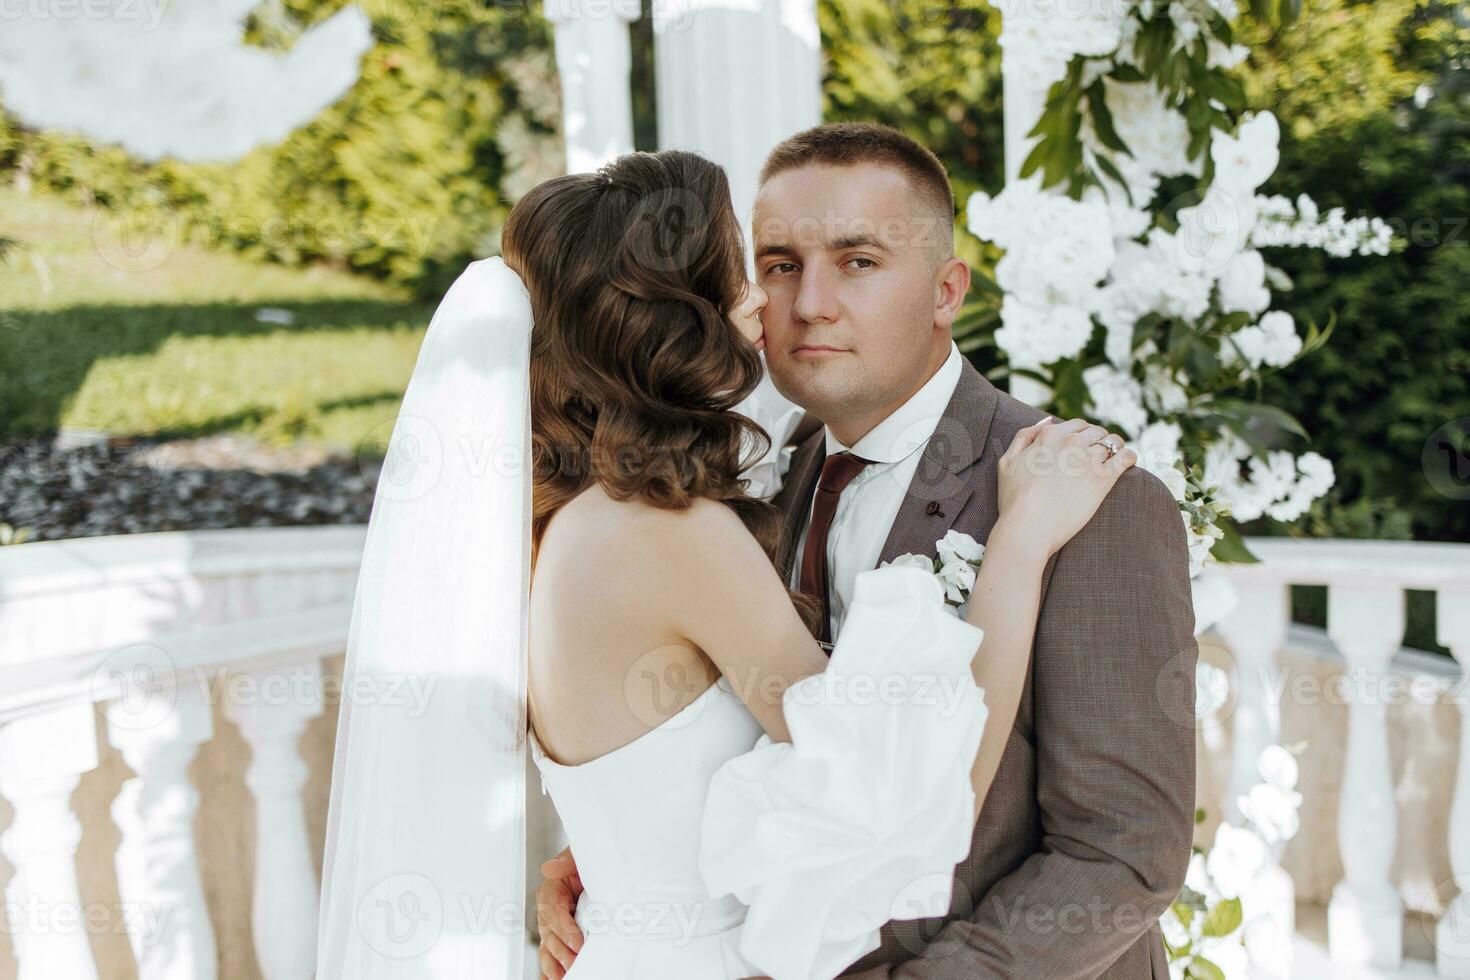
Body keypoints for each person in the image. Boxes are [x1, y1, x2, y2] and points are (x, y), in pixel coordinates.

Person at [535, 125, 1198, 980]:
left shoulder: (1087, 502)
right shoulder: (745, 491)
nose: (809, 303)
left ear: (945, 290)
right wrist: (609, 870)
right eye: (777, 266)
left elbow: (1124, 855)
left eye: (857, 262)